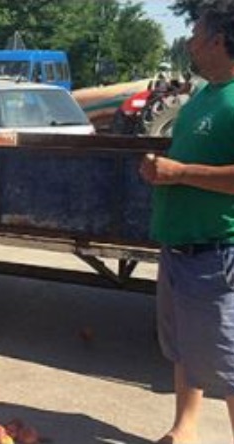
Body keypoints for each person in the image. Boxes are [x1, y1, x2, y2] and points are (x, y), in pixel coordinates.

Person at [138, 3, 234, 443]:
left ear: (218, 41)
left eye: (195, 34)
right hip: (179, 245)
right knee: (184, 348)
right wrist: (163, 171)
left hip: (216, 250)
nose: (189, 43)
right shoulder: (203, 95)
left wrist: (178, 174)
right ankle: (185, 427)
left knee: (228, 359)